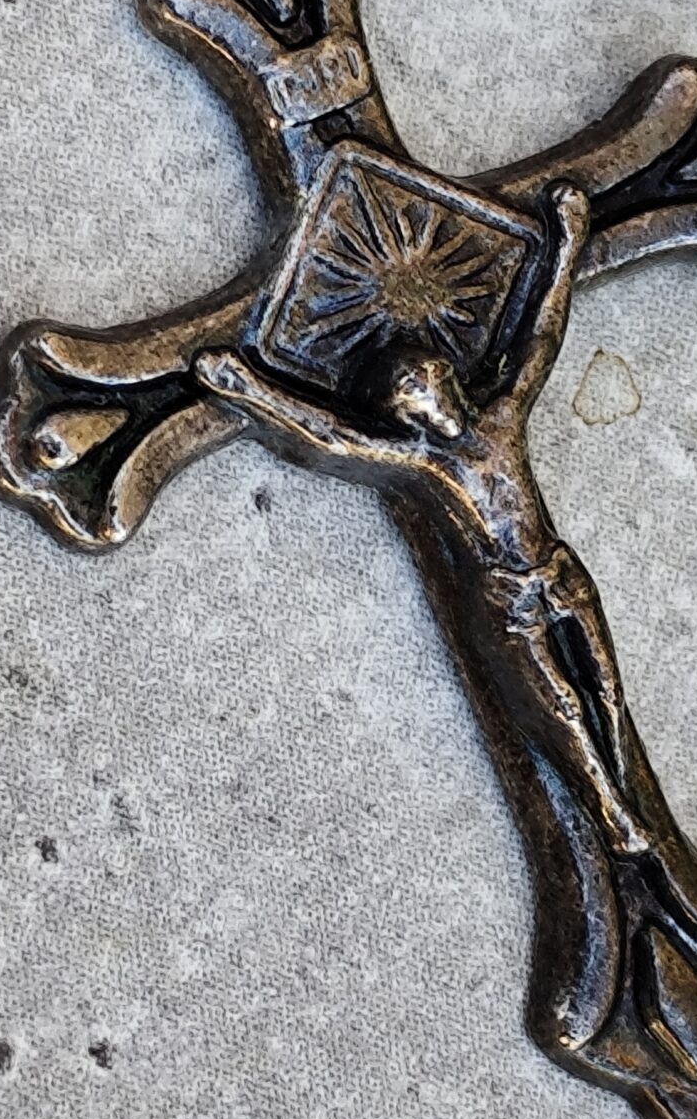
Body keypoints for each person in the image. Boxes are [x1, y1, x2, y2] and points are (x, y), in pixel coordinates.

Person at [195, 183, 659, 859]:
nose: (431, 386)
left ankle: (625, 783)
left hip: (557, 570)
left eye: (429, 376)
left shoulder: (501, 417)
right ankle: (610, 810)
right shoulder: (419, 461)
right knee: (559, 705)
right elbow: (332, 437)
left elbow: (540, 336)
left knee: (606, 688)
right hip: (507, 601)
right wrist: (247, 388)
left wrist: (567, 240)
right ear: (404, 412)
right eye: (414, 388)